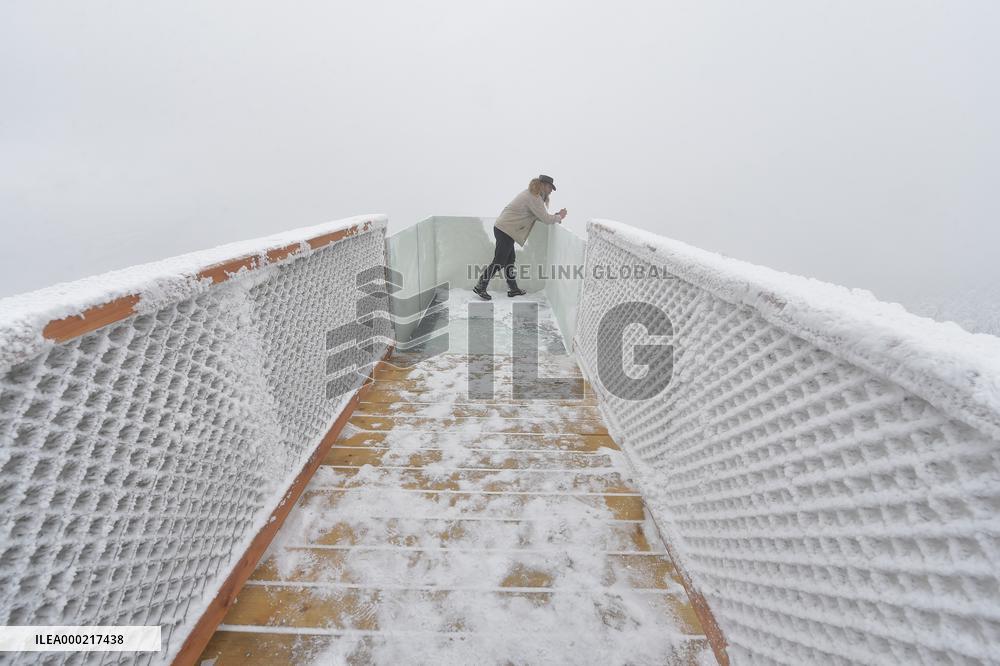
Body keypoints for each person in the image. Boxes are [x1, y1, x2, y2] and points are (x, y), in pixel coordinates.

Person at [473, 174, 567, 299]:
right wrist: (559, 217)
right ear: (543, 185)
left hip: (505, 229)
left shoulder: (532, 194)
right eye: (550, 187)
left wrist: (554, 216)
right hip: (505, 230)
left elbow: (540, 216)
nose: (551, 191)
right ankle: (481, 286)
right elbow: (545, 219)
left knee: (509, 261)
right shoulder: (534, 197)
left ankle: (513, 289)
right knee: (500, 260)